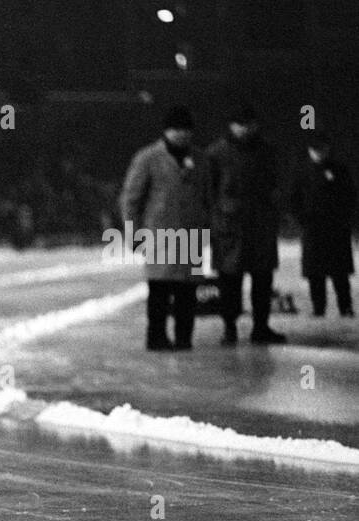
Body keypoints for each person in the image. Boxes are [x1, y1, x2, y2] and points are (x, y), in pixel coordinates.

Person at [119, 105, 210, 350]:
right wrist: (134, 234)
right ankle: (156, 337)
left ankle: (184, 338)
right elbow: (131, 199)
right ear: (166, 131)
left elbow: (207, 196)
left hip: (190, 235)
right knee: (159, 290)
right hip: (158, 235)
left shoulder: (200, 159)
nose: (182, 134)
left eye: (186, 130)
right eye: (176, 129)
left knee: (187, 292)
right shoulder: (147, 158)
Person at [206, 103, 286, 345]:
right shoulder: (216, 153)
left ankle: (260, 327)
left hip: (260, 225)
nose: (245, 129)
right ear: (231, 125)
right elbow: (209, 191)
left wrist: (274, 212)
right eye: (240, 124)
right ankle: (229, 328)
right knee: (229, 281)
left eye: (249, 124)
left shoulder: (267, 151)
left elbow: (277, 184)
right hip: (229, 228)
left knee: (263, 281)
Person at [290, 130, 355, 317]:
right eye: (315, 149)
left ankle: (346, 306)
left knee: (339, 273)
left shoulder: (339, 170)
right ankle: (319, 307)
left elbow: (350, 197)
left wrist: (345, 220)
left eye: (322, 149)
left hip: (336, 229)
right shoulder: (302, 171)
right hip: (313, 230)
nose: (319, 153)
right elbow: (294, 199)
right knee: (315, 273)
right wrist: (303, 220)